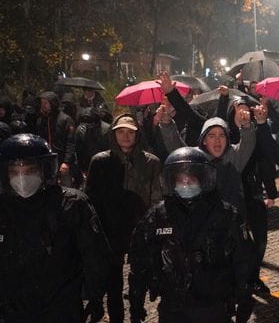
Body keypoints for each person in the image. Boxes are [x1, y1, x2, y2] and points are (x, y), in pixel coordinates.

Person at [128, 147, 252, 323]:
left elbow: (243, 260)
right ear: (172, 181)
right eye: (181, 179)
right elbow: (139, 263)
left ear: (203, 180)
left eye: (191, 179)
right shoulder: (157, 216)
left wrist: (245, 297)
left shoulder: (225, 214)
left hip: (214, 307)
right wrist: (135, 304)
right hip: (173, 308)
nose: (186, 184)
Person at [0, 133, 110, 322]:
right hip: (13, 308)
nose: (22, 177)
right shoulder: (4, 207)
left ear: (44, 170)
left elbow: (95, 255)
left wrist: (95, 296)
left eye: (30, 170)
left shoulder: (71, 204)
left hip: (62, 306)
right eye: (15, 171)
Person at [85, 113, 163, 323]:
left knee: (139, 281)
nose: (126, 137)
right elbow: (91, 199)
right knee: (114, 285)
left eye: (130, 132)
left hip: (140, 229)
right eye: (121, 132)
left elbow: (156, 197)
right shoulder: (100, 162)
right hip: (111, 231)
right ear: (113, 134)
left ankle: (137, 315)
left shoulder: (151, 162)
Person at [36, 91, 76, 187]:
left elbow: (71, 142)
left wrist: (66, 162)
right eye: (42, 103)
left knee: (66, 188)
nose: (43, 105)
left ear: (52, 104)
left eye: (45, 103)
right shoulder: (40, 120)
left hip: (62, 161)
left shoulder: (65, 119)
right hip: (46, 161)